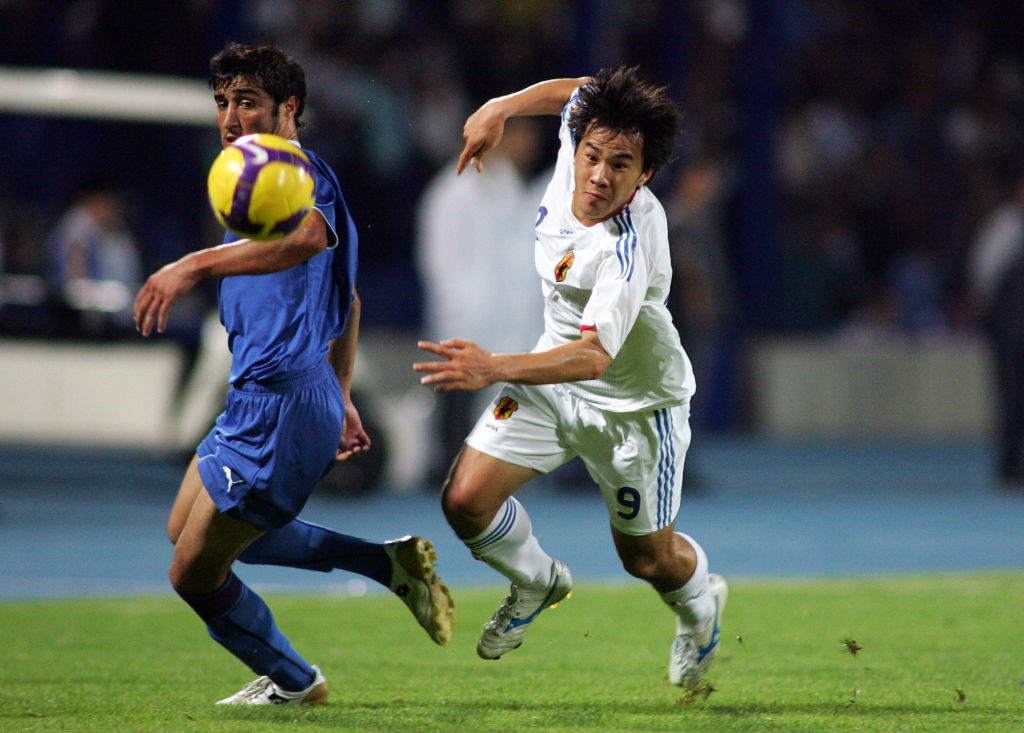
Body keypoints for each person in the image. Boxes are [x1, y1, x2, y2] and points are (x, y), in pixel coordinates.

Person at [133, 42, 454, 706]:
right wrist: (340, 391)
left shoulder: (298, 175)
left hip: (279, 409)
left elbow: (308, 238)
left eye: (247, 102)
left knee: (192, 571)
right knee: (188, 532)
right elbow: (349, 300)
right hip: (258, 397)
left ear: (290, 108)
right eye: (223, 102)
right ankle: (387, 564)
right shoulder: (254, 179)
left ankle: (295, 679)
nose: (230, 117)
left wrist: (192, 265)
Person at [414, 67, 727, 689]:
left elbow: (594, 359)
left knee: (647, 559)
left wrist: (492, 366)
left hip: (636, 408)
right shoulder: (577, 144)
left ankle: (700, 608)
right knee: (465, 500)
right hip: (550, 380)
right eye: (592, 156)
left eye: (621, 164)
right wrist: (500, 104)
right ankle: (536, 579)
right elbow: (581, 88)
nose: (599, 175)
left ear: (645, 176)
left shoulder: (628, 243)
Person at [415, 116, 547, 483]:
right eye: (522, 135)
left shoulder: (509, 187)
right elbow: (439, 262)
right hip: (464, 320)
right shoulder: (451, 191)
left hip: (507, 318)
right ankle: (445, 471)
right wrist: (460, 313)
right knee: (455, 405)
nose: (529, 145)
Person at [968, 171, 1024, 488]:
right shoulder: (1004, 227)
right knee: (1012, 400)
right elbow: (985, 278)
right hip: (1011, 331)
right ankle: (1009, 463)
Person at [46, 175, 144, 336]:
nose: (113, 208)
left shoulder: (116, 230)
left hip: (120, 310)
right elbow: (75, 281)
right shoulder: (76, 229)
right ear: (93, 200)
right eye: (107, 202)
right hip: (78, 317)